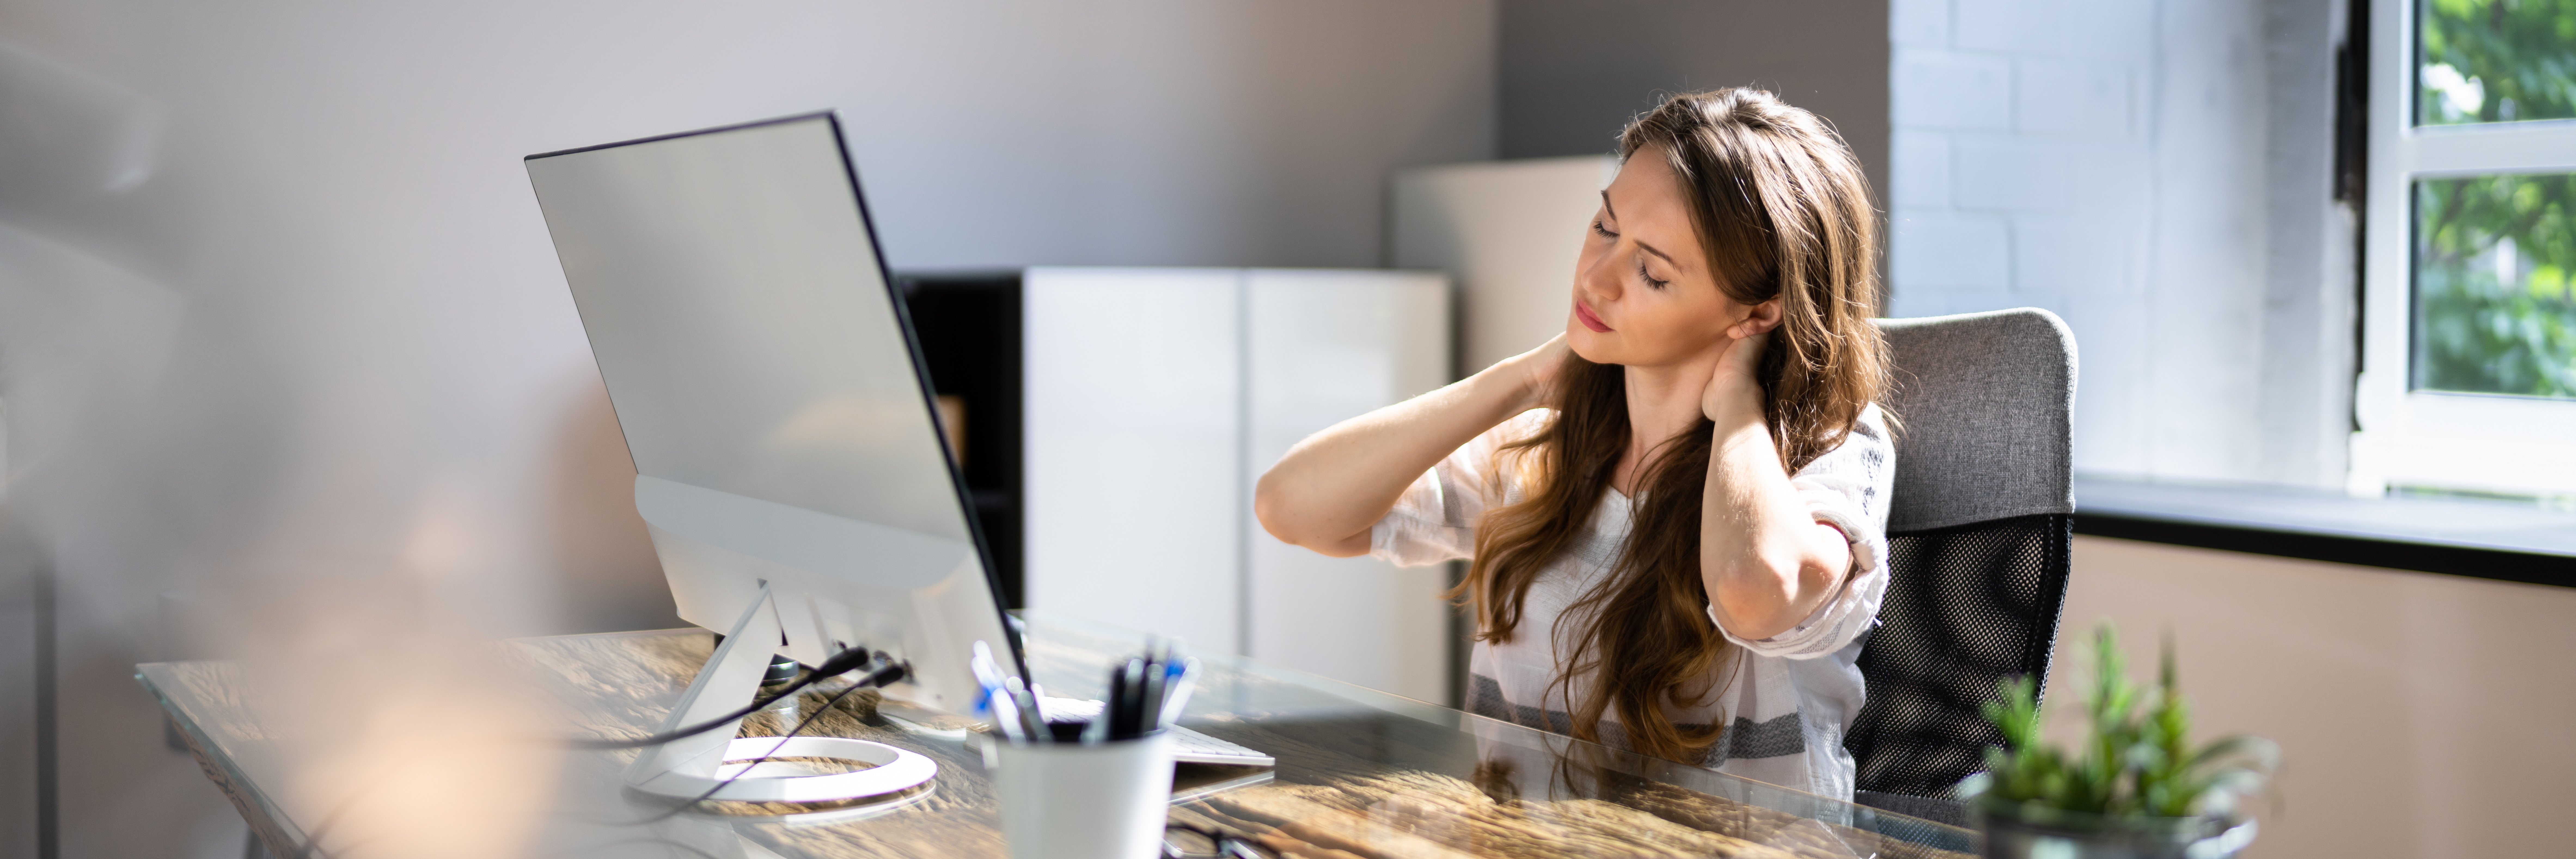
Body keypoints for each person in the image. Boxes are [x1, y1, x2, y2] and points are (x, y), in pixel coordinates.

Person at [1253, 87, 1893, 799]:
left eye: (1652, 272)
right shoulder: (1548, 450)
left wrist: (1738, 403)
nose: (1596, 278)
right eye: (1604, 226)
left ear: (1759, 310)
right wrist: (1523, 379)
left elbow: (1752, 595)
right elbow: (1291, 506)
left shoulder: (1827, 450)